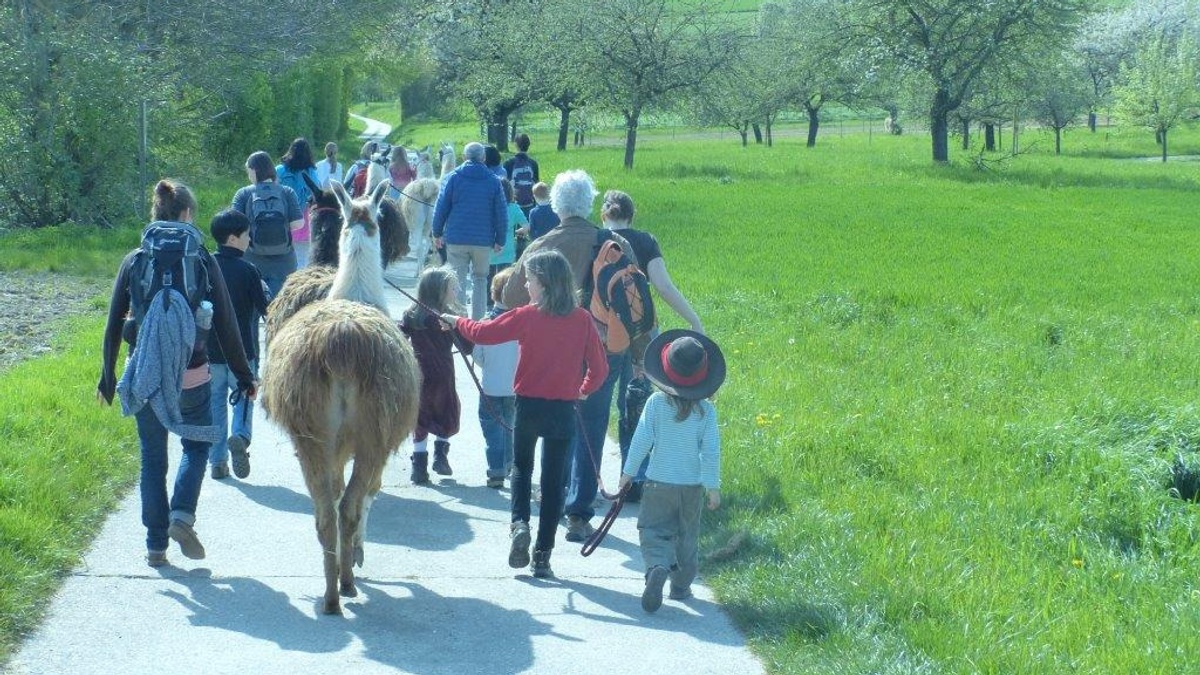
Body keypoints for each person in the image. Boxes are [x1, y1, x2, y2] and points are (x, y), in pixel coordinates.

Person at [97, 179, 257, 567]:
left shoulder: (135, 259)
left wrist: (106, 377)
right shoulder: (201, 258)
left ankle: (155, 546)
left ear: (156, 213)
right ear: (187, 214)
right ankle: (182, 516)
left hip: (147, 373)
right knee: (197, 445)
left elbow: (114, 323)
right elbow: (227, 324)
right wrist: (244, 374)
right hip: (193, 373)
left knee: (153, 458)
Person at [448, 249, 608, 579]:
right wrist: (584, 388)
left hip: (529, 405)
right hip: (563, 409)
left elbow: (482, 333)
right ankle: (543, 556)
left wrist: (455, 321)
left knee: (521, 467)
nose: (526, 283)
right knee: (553, 483)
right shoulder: (582, 319)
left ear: (545, 284)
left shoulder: (526, 315)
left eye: (530, 279)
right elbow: (600, 369)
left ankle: (520, 523)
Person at [501, 170, 636, 544]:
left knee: (552, 429)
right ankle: (578, 513)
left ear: (557, 206)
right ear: (589, 203)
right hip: (604, 348)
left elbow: (510, 298)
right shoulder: (613, 243)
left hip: (552, 354)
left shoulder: (543, 245)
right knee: (590, 429)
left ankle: (550, 501)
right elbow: (635, 304)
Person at [600, 189, 705, 501]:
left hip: (603, 331)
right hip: (642, 332)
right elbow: (663, 285)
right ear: (632, 215)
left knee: (597, 400)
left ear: (604, 216)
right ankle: (636, 479)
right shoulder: (644, 241)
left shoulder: (597, 239)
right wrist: (693, 320)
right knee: (636, 403)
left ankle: (585, 481)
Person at [618, 330, 724, 612]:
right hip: (690, 487)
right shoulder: (706, 412)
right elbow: (711, 452)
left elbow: (641, 440)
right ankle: (680, 585)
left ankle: (657, 566)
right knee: (686, 536)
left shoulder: (655, 404)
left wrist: (628, 474)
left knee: (653, 530)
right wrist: (712, 487)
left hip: (657, 483)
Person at [206, 209, 272, 481]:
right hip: (242, 352)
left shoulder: (204, 265)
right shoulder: (248, 270)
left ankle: (217, 462)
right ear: (234, 238)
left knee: (215, 404)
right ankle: (241, 437)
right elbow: (267, 310)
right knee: (244, 398)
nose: (249, 239)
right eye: (246, 235)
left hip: (209, 352)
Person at [400, 266, 472, 484]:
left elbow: (400, 336)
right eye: (452, 287)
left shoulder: (411, 315)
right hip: (443, 373)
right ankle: (441, 456)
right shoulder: (447, 318)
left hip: (419, 373)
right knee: (446, 412)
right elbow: (467, 347)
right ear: (439, 291)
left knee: (420, 419)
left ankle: (418, 467)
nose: (456, 291)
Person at [432, 141, 507, 320]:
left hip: (457, 238)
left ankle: (459, 321)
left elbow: (441, 207)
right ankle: (478, 323)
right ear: (483, 158)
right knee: (480, 280)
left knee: (457, 281)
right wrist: (501, 239)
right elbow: (501, 213)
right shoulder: (493, 181)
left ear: (464, 157)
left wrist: (436, 232)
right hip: (483, 241)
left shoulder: (452, 178)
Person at [231, 151, 304, 298]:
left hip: (251, 261)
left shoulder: (243, 194)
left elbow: (233, 224)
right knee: (279, 312)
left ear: (253, 170)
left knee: (250, 312)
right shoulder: (287, 192)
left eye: (248, 171)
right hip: (284, 263)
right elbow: (298, 223)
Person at [473, 267, 519, 489]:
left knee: (493, 429)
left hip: (491, 387)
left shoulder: (485, 323)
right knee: (511, 426)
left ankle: (496, 471)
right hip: (516, 387)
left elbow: (478, 357)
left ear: (493, 293)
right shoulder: (522, 324)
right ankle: (509, 463)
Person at [276, 138, 320, 266]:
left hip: (284, 215)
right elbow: (316, 191)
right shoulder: (311, 171)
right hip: (304, 216)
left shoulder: (280, 170)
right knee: (303, 254)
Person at [488, 178, 528, 307]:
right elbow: (526, 226)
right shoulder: (514, 208)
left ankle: (488, 304)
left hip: (490, 248)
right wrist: (517, 232)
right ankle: (502, 303)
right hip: (507, 248)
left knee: (488, 279)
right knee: (504, 280)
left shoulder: (488, 206)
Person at [503, 133, 540, 216]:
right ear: (529, 145)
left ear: (515, 145)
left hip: (513, 204)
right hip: (530, 203)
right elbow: (536, 184)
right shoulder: (533, 163)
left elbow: (505, 185)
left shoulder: (508, 163)